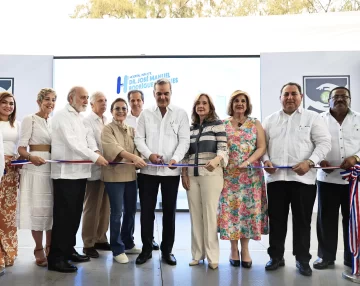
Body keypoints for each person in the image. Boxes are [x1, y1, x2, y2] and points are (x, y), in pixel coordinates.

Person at [262, 82, 331, 276]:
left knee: (302, 222)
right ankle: (276, 256)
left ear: (301, 97)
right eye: (286, 94)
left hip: (303, 180)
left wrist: (310, 161)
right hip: (276, 180)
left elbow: (324, 143)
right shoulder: (270, 120)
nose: (290, 97)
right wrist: (266, 160)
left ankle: (302, 260)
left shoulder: (313, 118)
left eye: (294, 94)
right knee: (276, 221)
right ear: (280, 98)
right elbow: (262, 145)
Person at [47, 86, 108, 273]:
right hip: (65, 174)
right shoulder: (61, 116)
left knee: (74, 216)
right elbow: (73, 143)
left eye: (87, 97)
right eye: (82, 97)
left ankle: (68, 250)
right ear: (71, 98)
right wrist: (95, 157)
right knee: (63, 218)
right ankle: (56, 258)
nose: (85, 101)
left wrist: (96, 151)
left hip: (81, 173)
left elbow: (89, 139)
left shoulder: (80, 119)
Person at [134, 78, 190, 265]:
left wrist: (176, 158)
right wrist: (149, 155)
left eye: (166, 93)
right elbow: (138, 139)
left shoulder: (180, 114)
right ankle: (147, 249)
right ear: (154, 94)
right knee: (146, 212)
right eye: (159, 93)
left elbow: (184, 141)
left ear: (171, 93)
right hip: (148, 172)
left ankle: (167, 251)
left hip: (171, 172)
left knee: (169, 212)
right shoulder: (145, 114)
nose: (163, 96)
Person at [218, 90, 268, 269]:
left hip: (250, 177)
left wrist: (247, 162)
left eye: (243, 101)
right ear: (231, 104)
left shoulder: (255, 123)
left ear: (247, 105)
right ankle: (233, 249)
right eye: (236, 101)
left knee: (247, 213)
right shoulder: (223, 124)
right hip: (229, 177)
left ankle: (245, 249)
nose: (240, 104)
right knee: (231, 214)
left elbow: (261, 147)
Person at [313, 86, 360, 270]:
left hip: (354, 180)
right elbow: (311, 143)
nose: (340, 100)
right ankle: (326, 257)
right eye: (336, 97)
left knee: (352, 220)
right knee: (326, 220)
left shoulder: (359, 119)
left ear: (350, 99)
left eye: (344, 97)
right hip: (327, 179)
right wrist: (319, 158)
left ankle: (352, 258)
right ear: (329, 100)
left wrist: (355, 158)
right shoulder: (319, 120)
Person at [181, 93, 228, 270]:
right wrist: (183, 174)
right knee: (195, 215)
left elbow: (223, 149)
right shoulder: (190, 128)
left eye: (204, 103)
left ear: (210, 106)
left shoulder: (218, 125)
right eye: (198, 103)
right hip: (192, 175)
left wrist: (216, 161)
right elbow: (185, 154)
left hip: (212, 175)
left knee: (210, 215)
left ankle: (212, 256)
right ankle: (197, 254)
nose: (201, 106)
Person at [101, 98, 147, 263]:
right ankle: (117, 249)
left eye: (123, 109)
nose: (121, 111)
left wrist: (139, 158)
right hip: (114, 176)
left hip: (130, 175)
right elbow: (114, 149)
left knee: (130, 211)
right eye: (117, 108)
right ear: (112, 112)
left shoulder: (131, 130)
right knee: (117, 213)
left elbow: (137, 149)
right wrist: (134, 157)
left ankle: (128, 242)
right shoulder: (107, 129)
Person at [17, 88, 56, 267]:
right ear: (39, 101)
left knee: (51, 210)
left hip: (51, 169)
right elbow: (22, 148)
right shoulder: (29, 119)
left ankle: (51, 246)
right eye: (47, 99)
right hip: (34, 169)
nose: (50, 103)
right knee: (37, 209)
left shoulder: (54, 122)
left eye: (53, 100)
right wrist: (31, 157)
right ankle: (38, 248)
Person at [126, 89, 159, 251]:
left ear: (143, 101)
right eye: (132, 100)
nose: (136, 103)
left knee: (148, 209)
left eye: (138, 100)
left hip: (147, 171)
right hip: (129, 171)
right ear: (129, 101)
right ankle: (128, 240)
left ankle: (149, 239)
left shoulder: (150, 118)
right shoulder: (123, 119)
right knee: (129, 208)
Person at [82, 91, 111, 258]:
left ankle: (101, 238)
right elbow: (90, 142)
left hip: (108, 170)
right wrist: (98, 154)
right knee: (92, 207)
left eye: (106, 100)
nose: (104, 103)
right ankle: (88, 243)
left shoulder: (107, 120)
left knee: (105, 207)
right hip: (94, 169)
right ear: (92, 104)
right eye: (100, 100)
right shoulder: (87, 121)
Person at [0, 92, 21, 275]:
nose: (8, 106)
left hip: (12, 172)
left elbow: (21, 148)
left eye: (11, 103)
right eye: (4, 103)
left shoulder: (17, 124)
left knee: (8, 214)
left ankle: (8, 252)